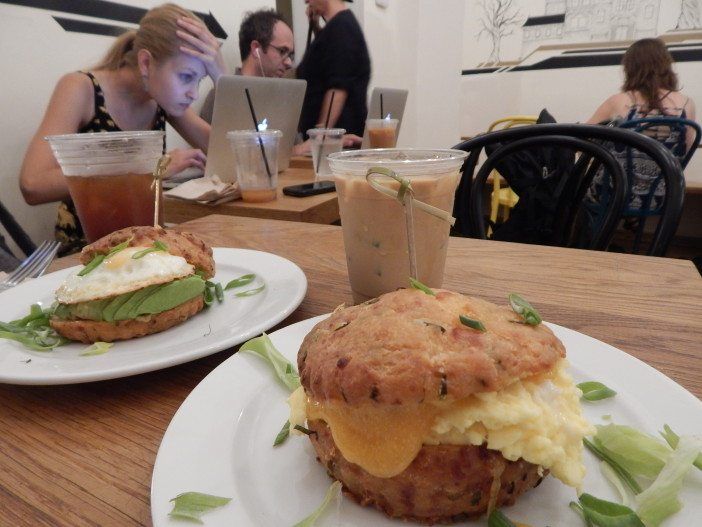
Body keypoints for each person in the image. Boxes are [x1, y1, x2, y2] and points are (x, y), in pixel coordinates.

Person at [19, 3, 226, 254]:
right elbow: (33, 184)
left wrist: (222, 78)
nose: (193, 92)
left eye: (200, 79)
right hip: (85, 250)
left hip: (145, 244)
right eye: (186, 77)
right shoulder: (81, 88)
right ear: (146, 62)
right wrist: (150, 168)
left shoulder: (161, 98)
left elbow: (232, 152)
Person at [586, 38, 697, 212]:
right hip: (661, 197)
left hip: (612, 194)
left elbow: (584, 139)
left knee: (572, 187)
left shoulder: (619, 101)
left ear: (630, 68)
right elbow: (686, 151)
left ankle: (590, 238)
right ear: (666, 66)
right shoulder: (686, 104)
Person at [199, 9, 295, 124]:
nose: (289, 62)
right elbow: (209, 142)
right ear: (256, 48)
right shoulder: (219, 97)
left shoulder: (282, 99)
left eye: (290, 55)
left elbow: (297, 142)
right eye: (282, 51)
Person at [297, 0, 371, 139]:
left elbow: (338, 88)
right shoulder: (338, 28)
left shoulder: (342, 28)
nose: (306, 1)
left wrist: (320, 137)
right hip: (334, 143)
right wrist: (316, 27)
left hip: (335, 146)